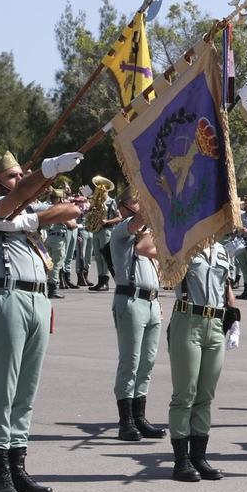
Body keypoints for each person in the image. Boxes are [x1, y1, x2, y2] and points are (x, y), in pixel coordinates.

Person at [0, 150, 84, 492]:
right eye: (9, 177)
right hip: (9, 297)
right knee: (5, 387)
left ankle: (19, 464)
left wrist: (31, 222)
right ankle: (1, 472)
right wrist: (48, 170)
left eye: (18, 175)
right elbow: (21, 194)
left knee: (27, 389)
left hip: (40, 300)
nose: (16, 180)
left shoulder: (26, 214)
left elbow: (72, 210)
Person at [165, 227, 235, 482]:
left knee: (205, 395)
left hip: (215, 324)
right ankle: (181, 461)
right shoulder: (182, 245)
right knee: (185, 394)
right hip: (188, 320)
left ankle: (199, 457)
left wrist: (233, 315)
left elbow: (225, 286)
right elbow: (150, 245)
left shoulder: (222, 251)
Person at [110, 189, 165, 442]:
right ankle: (126, 421)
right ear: (123, 208)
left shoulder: (151, 235)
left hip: (152, 302)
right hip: (131, 300)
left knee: (147, 363)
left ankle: (140, 417)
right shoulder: (122, 231)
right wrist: (152, 199)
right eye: (136, 201)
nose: (141, 203)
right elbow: (138, 222)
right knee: (130, 363)